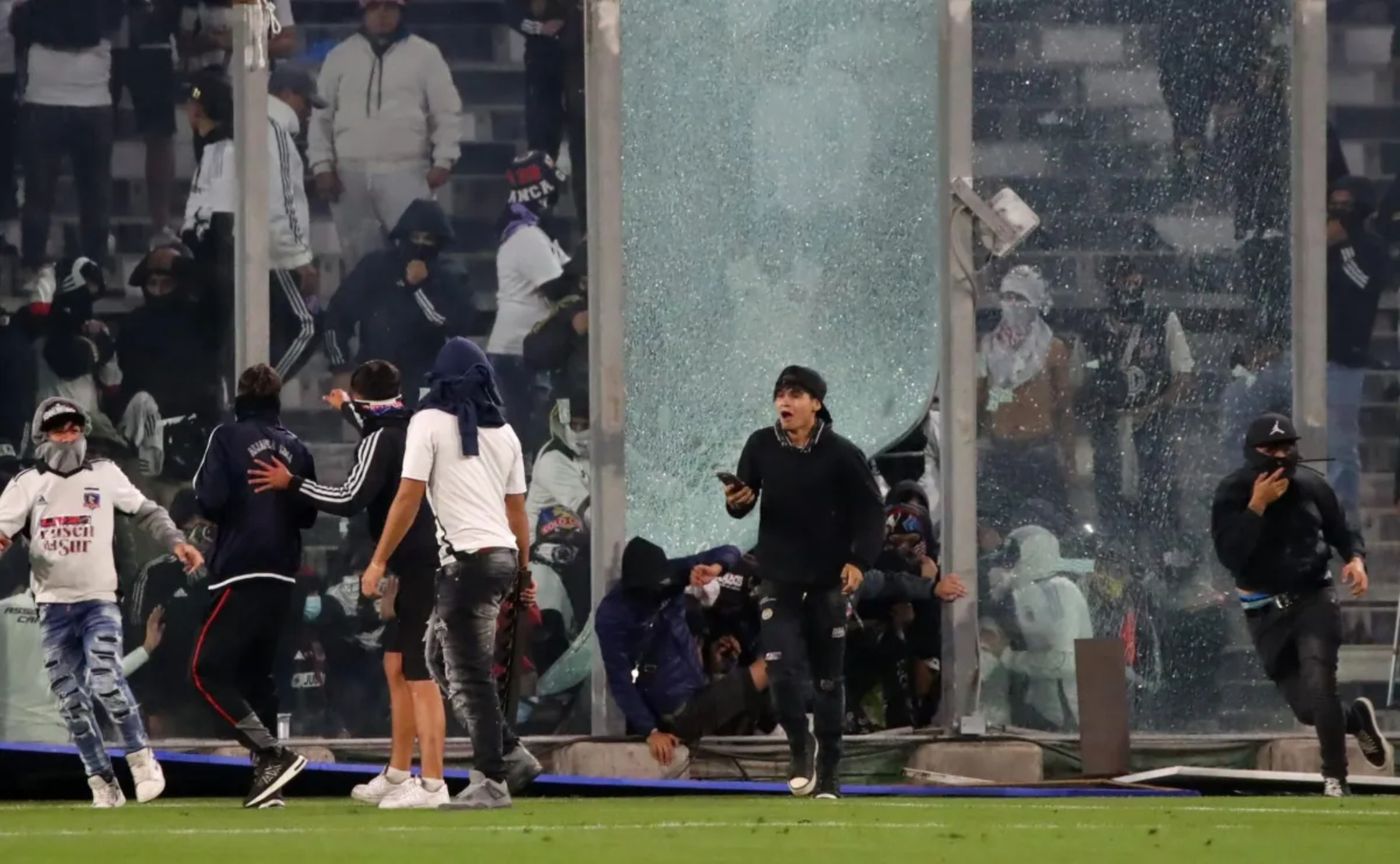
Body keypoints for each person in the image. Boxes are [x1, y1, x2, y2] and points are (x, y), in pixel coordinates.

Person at [246, 360, 453, 809]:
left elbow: (349, 498)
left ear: (362, 400)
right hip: (423, 561)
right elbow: (376, 418)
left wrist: (291, 482)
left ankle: (435, 784)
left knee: (421, 675)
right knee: (397, 665)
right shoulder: (408, 422)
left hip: (421, 563)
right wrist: (346, 408)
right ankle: (399, 773)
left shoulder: (378, 440)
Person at [362, 337, 542, 810]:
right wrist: (524, 572)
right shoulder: (505, 433)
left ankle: (491, 780)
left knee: (467, 674)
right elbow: (518, 512)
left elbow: (407, 496)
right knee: (441, 661)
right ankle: (509, 752)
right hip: (499, 557)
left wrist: (379, 559)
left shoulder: (427, 422)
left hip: (467, 564)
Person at [0, 397, 203, 806]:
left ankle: (142, 760)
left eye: (75, 428)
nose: (69, 436)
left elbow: (148, 511)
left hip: (98, 602)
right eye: (60, 428)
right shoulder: (27, 484)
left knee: (106, 680)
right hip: (52, 606)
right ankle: (101, 781)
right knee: (71, 701)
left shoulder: (105, 474)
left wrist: (177, 542)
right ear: (43, 435)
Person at [723, 365, 884, 799]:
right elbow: (744, 502)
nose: (785, 402)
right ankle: (800, 744)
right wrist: (737, 501)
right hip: (778, 576)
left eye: (795, 395)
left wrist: (859, 561)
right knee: (779, 670)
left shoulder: (842, 453)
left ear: (816, 403)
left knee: (829, 680)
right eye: (780, 394)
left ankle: (829, 772)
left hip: (829, 582)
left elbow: (872, 514)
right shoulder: (759, 445)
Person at [1211, 413, 1391, 797]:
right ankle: (1355, 720)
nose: (1280, 456)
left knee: (1320, 680)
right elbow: (1230, 555)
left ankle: (1335, 779)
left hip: (1314, 596)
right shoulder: (1231, 492)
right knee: (1307, 709)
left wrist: (1355, 559)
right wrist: (1256, 507)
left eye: (1287, 447)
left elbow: (1343, 531)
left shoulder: (1312, 485)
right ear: (1251, 452)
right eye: (1270, 449)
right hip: (1264, 611)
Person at [190, 364, 317, 809]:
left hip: (240, 569)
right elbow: (308, 514)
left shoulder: (225, 436)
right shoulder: (298, 447)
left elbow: (209, 498)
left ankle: (271, 754)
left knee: (205, 671)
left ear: (240, 395)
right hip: (284, 574)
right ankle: (270, 788)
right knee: (258, 677)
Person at [309, 0, 463, 271]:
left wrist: (444, 159)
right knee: (359, 262)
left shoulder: (426, 55)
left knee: (414, 259)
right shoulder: (339, 56)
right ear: (363, 11)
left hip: (406, 171)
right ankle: (364, 315)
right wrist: (321, 165)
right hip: (349, 174)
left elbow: (446, 111)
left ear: (401, 10)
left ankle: (413, 315)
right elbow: (321, 115)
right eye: (374, 7)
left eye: (389, 7)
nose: (382, 14)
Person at [596, 537, 771, 766]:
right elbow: (620, 681)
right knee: (775, 662)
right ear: (632, 586)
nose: (657, 592)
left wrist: (715, 568)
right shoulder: (612, 616)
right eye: (649, 589)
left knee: (771, 682)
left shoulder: (675, 573)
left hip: (698, 686)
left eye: (660, 584)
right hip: (677, 713)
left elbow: (730, 551)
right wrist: (650, 731)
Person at [10, 0, 124, 282]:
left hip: (46, 99)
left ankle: (32, 266)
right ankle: (94, 266)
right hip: (91, 100)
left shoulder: (34, 9)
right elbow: (112, 21)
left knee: (40, 193)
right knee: (94, 193)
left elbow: (19, 25)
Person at [1081, 257, 1194, 539]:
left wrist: (1154, 406)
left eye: (1136, 281)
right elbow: (1078, 380)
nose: (1131, 287)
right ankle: (1118, 564)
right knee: (1111, 506)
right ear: (1111, 284)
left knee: (1158, 501)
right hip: (1109, 428)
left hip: (1151, 426)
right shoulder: (1094, 326)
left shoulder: (1162, 319)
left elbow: (1185, 376)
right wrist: (1099, 402)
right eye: (1124, 281)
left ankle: (1162, 558)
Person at [323, 199, 474, 404]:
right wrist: (339, 366)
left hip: (424, 378)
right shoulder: (376, 267)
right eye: (415, 237)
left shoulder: (449, 274)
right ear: (403, 236)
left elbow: (453, 324)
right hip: (374, 373)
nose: (420, 245)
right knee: (376, 431)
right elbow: (338, 313)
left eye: (428, 239)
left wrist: (418, 287)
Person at [486, 151, 571, 456]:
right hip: (517, 356)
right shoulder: (526, 236)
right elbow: (556, 289)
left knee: (529, 441)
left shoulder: (536, 234)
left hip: (525, 351)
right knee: (523, 443)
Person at [977, 265, 1075, 523]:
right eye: (1007, 296)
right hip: (999, 452)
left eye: (1019, 298)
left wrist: (1069, 457)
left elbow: (1064, 406)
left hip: (1038, 452)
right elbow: (978, 401)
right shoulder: (986, 348)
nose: (1012, 304)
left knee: (1047, 525)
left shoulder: (1053, 348)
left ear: (1033, 302)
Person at [981, 525, 1094, 732]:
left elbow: (1066, 662)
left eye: (1014, 554)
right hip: (1042, 711)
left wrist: (1008, 656)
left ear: (1032, 553)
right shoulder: (1030, 592)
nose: (1008, 562)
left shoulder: (1060, 590)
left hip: (1068, 719)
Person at [1325, 176, 1390, 521]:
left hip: (1345, 359)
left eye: (1346, 204)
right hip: (1309, 357)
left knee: (1340, 446)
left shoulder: (1371, 247)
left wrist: (1343, 244)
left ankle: (1343, 515)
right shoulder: (1320, 243)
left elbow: (1363, 282)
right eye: (1334, 202)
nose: (1338, 211)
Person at [266, 65, 325, 382]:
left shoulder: (253, 126)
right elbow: (280, 200)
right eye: (306, 103)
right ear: (287, 95)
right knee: (309, 325)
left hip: (263, 254)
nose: (308, 114)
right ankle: (253, 399)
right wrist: (300, 259)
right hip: (276, 258)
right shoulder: (273, 131)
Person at [506, 0, 585, 228]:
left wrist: (571, 19)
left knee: (584, 150)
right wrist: (537, 27)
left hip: (580, 61)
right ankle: (538, 222)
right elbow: (509, 10)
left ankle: (586, 229)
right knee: (542, 149)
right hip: (544, 61)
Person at [111, 0, 180, 243]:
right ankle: (99, 220)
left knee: (160, 135)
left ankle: (161, 224)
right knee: (97, 132)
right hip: (101, 38)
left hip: (154, 40)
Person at [524, 388, 589, 534]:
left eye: (585, 426)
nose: (577, 432)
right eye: (574, 425)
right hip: (541, 550)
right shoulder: (553, 459)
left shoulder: (592, 457)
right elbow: (590, 514)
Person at [178, 0, 296, 73]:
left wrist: (246, 43)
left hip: (253, 85)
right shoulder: (194, 4)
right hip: (204, 83)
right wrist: (217, 41)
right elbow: (182, 46)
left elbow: (288, 43)